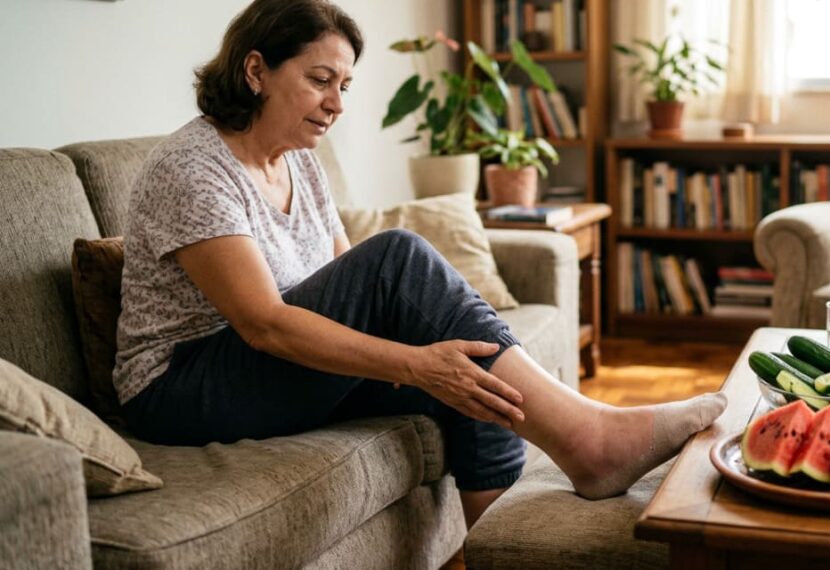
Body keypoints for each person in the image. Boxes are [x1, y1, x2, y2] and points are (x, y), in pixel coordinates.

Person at [114, 0, 725, 527]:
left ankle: (495, 543)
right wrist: (413, 363)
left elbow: (339, 284)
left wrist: (431, 355)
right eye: (320, 79)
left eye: (344, 87)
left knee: (471, 369)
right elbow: (263, 323)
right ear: (256, 71)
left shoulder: (299, 159)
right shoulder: (192, 169)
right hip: (182, 386)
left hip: (268, 366)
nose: (336, 104)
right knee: (398, 260)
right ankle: (591, 440)